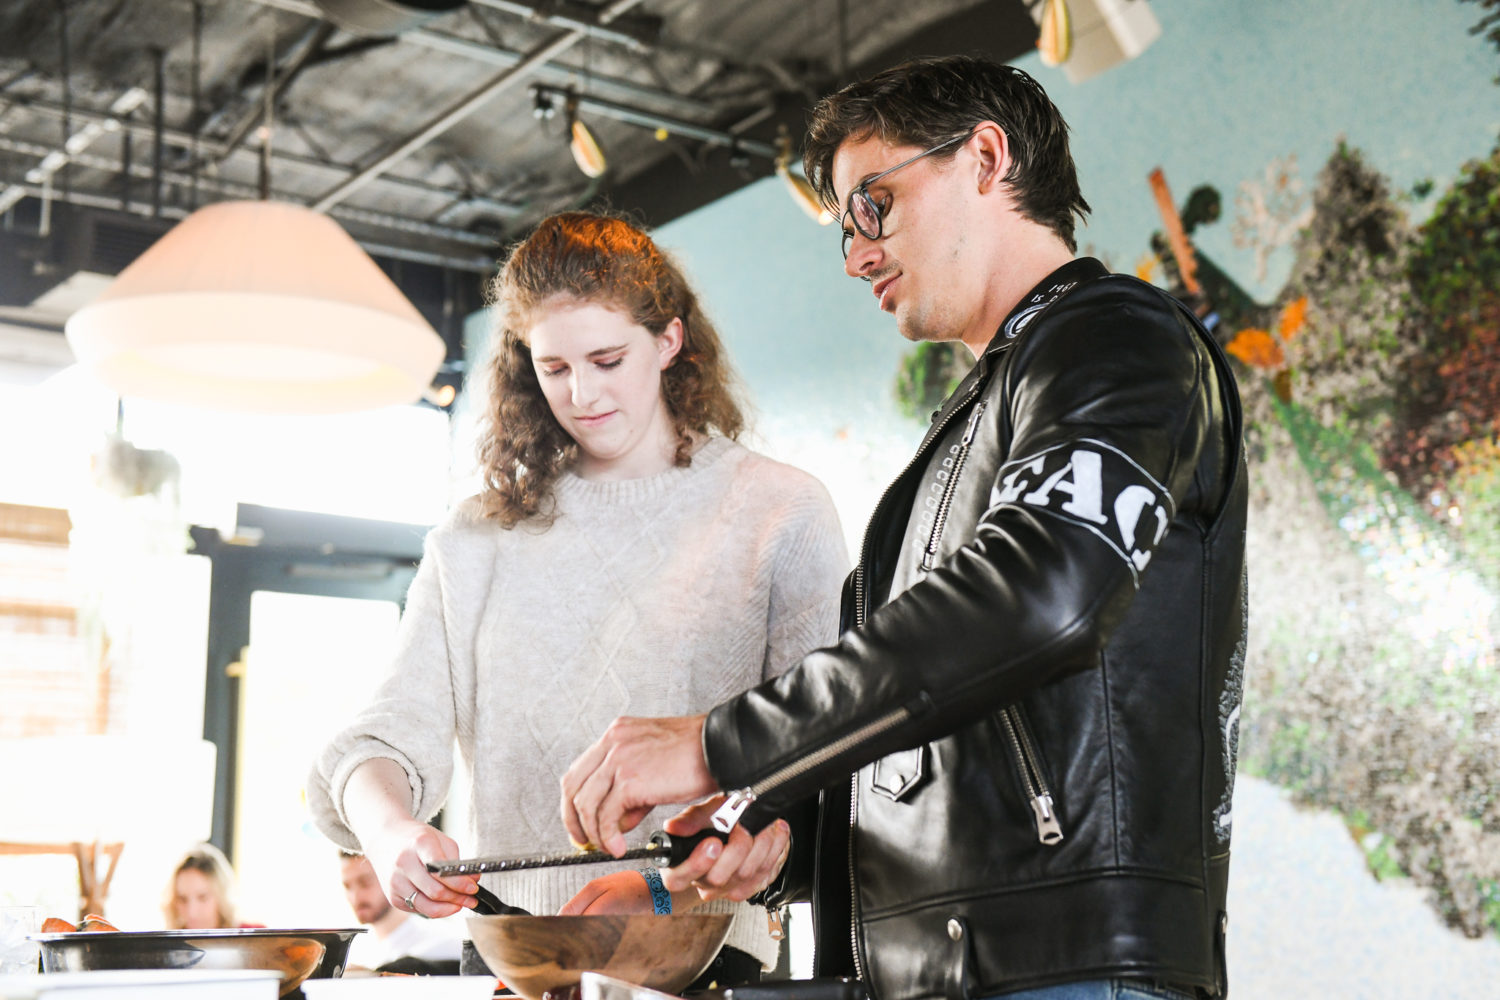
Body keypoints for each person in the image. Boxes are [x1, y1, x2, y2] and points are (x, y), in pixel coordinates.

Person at [559, 56, 1248, 1000]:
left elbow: (1045, 597)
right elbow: (939, 718)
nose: (856, 255)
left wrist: (719, 743)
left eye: (872, 206)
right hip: (945, 970)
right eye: (845, 228)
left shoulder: (1118, 338)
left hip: (1068, 970)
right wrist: (777, 828)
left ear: (986, 158)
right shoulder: (974, 420)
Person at [307, 211, 848, 981]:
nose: (582, 393)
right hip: (513, 959)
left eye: (607, 359)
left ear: (669, 340)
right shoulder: (477, 537)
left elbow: (821, 759)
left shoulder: (780, 512)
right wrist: (392, 834)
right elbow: (377, 747)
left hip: (705, 958)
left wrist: (668, 888)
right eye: (554, 367)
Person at [339, 851, 462, 974]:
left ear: (391, 878)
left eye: (365, 883)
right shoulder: (356, 954)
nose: (355, 897)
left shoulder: (444, 944)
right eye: (347, 886)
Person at [162, 843, 262, 930]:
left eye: (203, 898)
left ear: (222, 897)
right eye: (182, 899)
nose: (192, 913)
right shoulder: (167, 943)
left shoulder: (255, 938)